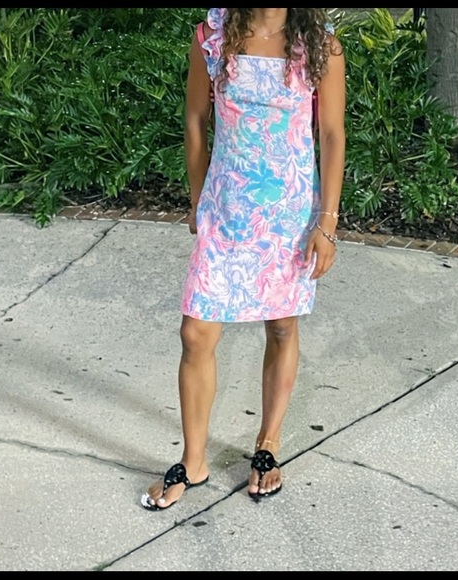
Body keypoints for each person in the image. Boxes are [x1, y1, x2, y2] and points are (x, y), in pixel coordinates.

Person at [141, 7, 346, 511]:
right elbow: (196, 119)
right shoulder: (212, 37)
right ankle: (193, 461)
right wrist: (198, 198)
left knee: (281, 327)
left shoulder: (322, 46)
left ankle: (268, 443)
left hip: (288, 216)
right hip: (226, 211)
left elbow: (331, 135)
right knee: (196, 333)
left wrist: (326, 223)